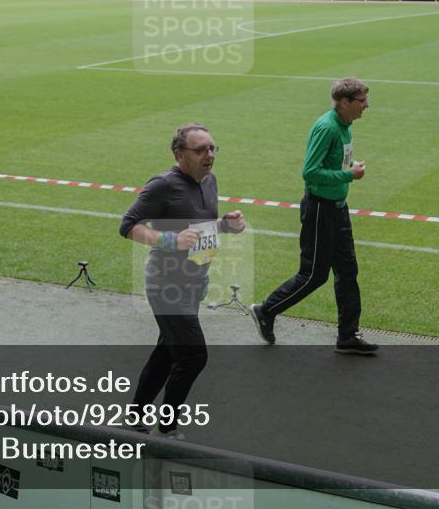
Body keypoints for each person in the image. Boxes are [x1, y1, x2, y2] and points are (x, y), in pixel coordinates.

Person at [120, 123, 245, 437]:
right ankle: (168, 427)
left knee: (167, 350)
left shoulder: (209, 181)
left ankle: (135, 417)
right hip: (166, 286)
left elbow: (199, 230)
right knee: (192, 356)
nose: (210, 154)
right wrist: (169, 240)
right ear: (179, 154)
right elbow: (128, 225)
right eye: (201, 149)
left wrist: (226, 226)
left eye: (213, 148)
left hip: (195, 282)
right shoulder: (162, 185)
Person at [250, 78, 378, 355]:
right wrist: (349, 174)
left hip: (337, 208)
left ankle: (347, 336)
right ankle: (266, 310)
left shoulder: (344, 126)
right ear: (344, 102)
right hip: (320, 209)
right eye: (362, 100)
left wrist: (349, 167)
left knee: (347, 271)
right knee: (313, 275)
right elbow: (310, 172)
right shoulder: (327, 127)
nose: (367, 105)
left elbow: (333, 164)